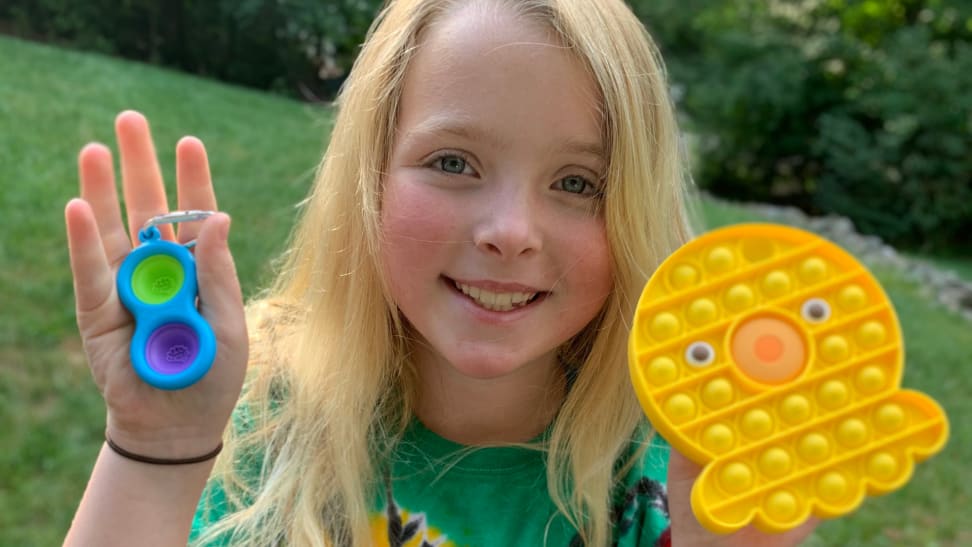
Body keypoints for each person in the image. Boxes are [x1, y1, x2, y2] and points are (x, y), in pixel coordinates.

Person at [63, 0, 819, 545]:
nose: (511, 232)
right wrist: (157, 452)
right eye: (453, 162)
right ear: (371, 179)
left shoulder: (685, 483)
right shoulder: (247, 421)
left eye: (579, 183)